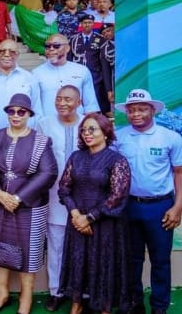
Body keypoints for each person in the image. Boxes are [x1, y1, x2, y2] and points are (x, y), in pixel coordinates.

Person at [0, 94, 57, 314]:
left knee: (28, 252)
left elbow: (48, 173)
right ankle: (2, 293)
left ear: (29, 114)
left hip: (29, 207)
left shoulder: (41, 140)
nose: (15, 115)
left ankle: (26, 298)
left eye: (21, 111)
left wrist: (18, 198)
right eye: (11, 111)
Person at [115, 89, 182, 314]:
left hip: (160, 207)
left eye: (142, 109)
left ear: (152, 110)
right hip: (129, 207)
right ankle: (134, 304)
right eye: (132, 110)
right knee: (132, 260)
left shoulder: (170, 137)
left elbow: (179, 174)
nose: (136, 114)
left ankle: (159, 307)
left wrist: (177, 207)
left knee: (160, 260)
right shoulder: (119, 137)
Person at [58, 112, 131, 314]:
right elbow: (64, 188)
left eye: (93, 129)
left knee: (103, 265)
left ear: (106, 133)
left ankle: (104, 307)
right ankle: (76, 303)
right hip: (77, 222)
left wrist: (89, 218)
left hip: (106, 224)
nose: (87, 133)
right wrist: (76, 216)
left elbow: (118, 196)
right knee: (78, 262)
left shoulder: (117, 160)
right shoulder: (76, 156)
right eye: (83, 130)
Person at [35, 85, 84, 312]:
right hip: (54, 193)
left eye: (68, 99)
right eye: (58, 98)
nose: (62, 103)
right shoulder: (44, 124)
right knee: (55, 243)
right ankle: (56, 291)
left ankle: (81, 291)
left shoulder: (88, 123)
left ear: (79, 101)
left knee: (83, 246)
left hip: (85, 195)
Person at [0, 39, 42, 133]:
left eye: (12, 52)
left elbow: (37, 110)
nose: (7, 54)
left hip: (22, 138)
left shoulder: (29, 78)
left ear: (18, 54)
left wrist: (29, 136)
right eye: (2, 51)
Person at [32, 34, 99, 117]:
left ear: (67, 48)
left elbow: (90, 105)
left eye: (56, 46)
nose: (51, 49)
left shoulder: (82, 71)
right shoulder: (36, 73)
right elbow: (35, 106)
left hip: (77, 125)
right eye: (47, 46)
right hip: (48, 125)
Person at [68, 14, 109, 114]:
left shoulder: (100, 39)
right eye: (85, 23)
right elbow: (69, 58)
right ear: (81, 24)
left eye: (90, 23)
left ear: (93, 24)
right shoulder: (74, 39)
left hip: (95, 75)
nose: (87, 25)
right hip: (77, 75)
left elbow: (103, 60)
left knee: (96, 98)